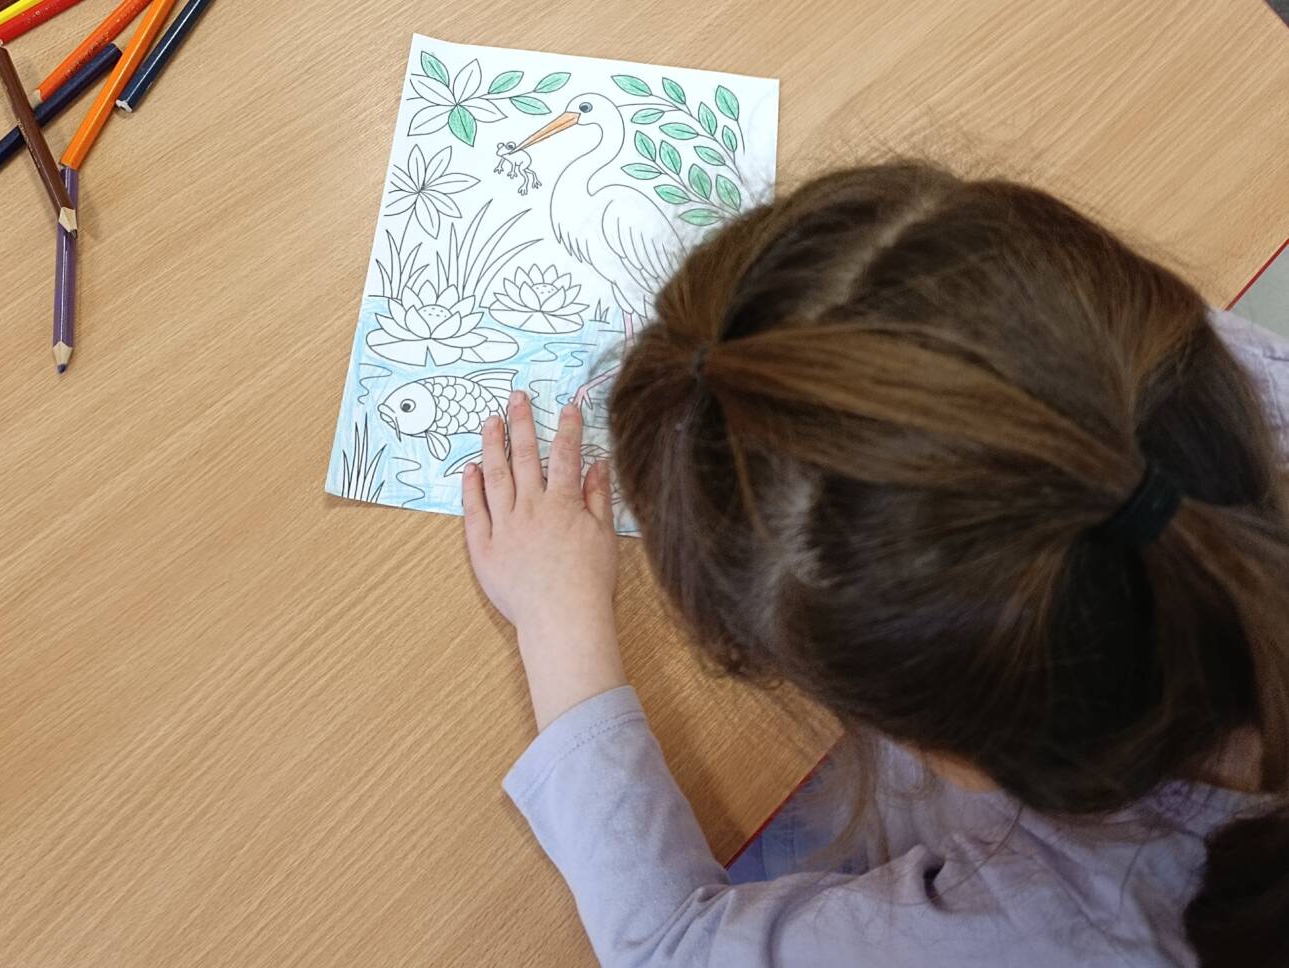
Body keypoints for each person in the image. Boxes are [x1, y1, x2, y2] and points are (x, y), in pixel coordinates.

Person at [459, 163, 1289, 967]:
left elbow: (670, 948)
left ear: (946, 750)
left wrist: (558, 619)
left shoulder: (1048, 931)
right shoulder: (1199, 380)